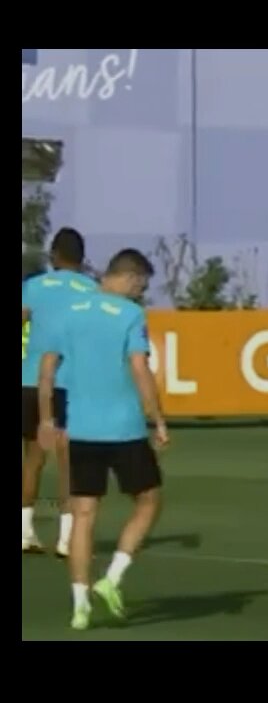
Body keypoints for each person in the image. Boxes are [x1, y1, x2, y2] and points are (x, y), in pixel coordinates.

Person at [37, 249, 167, 631]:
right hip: (124, 427)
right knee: (148, 501)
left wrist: (47, 419)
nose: (140, 293)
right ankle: (112, 576)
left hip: (81, 428)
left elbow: (47, 369)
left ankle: (80, 605)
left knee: (82, 516)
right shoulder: (130, 315)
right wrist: (157, 419)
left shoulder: (69, 311)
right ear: (130, 278)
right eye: (141, 286)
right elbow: (140, 368)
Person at [21, 227, 97, 558]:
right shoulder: (92, 290)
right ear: (81, 259)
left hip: (30, 380)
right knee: (70, 463)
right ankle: (67, 538)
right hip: (69, 382)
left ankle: (24, 531)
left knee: (33, 459)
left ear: (54, 256)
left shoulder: (34, 286)